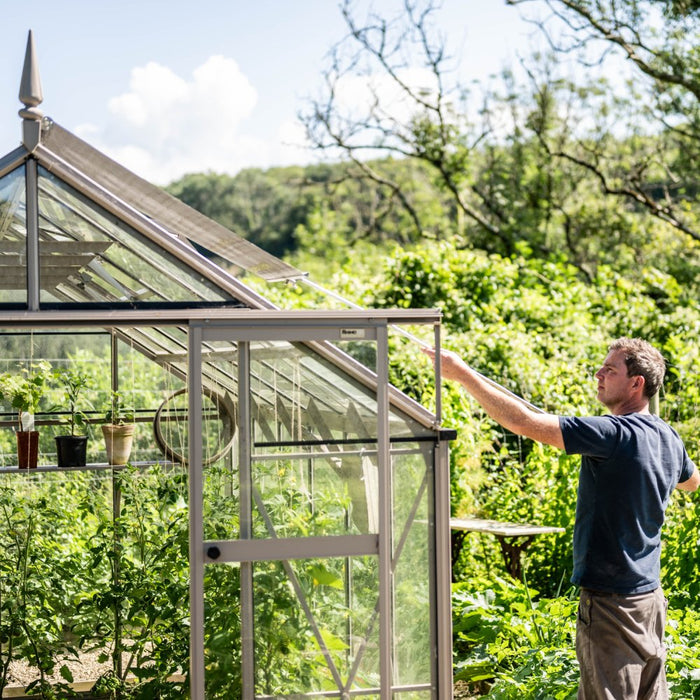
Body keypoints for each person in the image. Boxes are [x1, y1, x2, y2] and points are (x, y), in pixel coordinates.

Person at [423, 337, 700, 700]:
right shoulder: (667, 437)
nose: (598, 374)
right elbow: (691, 483)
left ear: (637, 383)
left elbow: (522, 422)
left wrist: (462, 375)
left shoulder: (612, 434)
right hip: (650, 600)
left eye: (610, 370)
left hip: (612, 606)